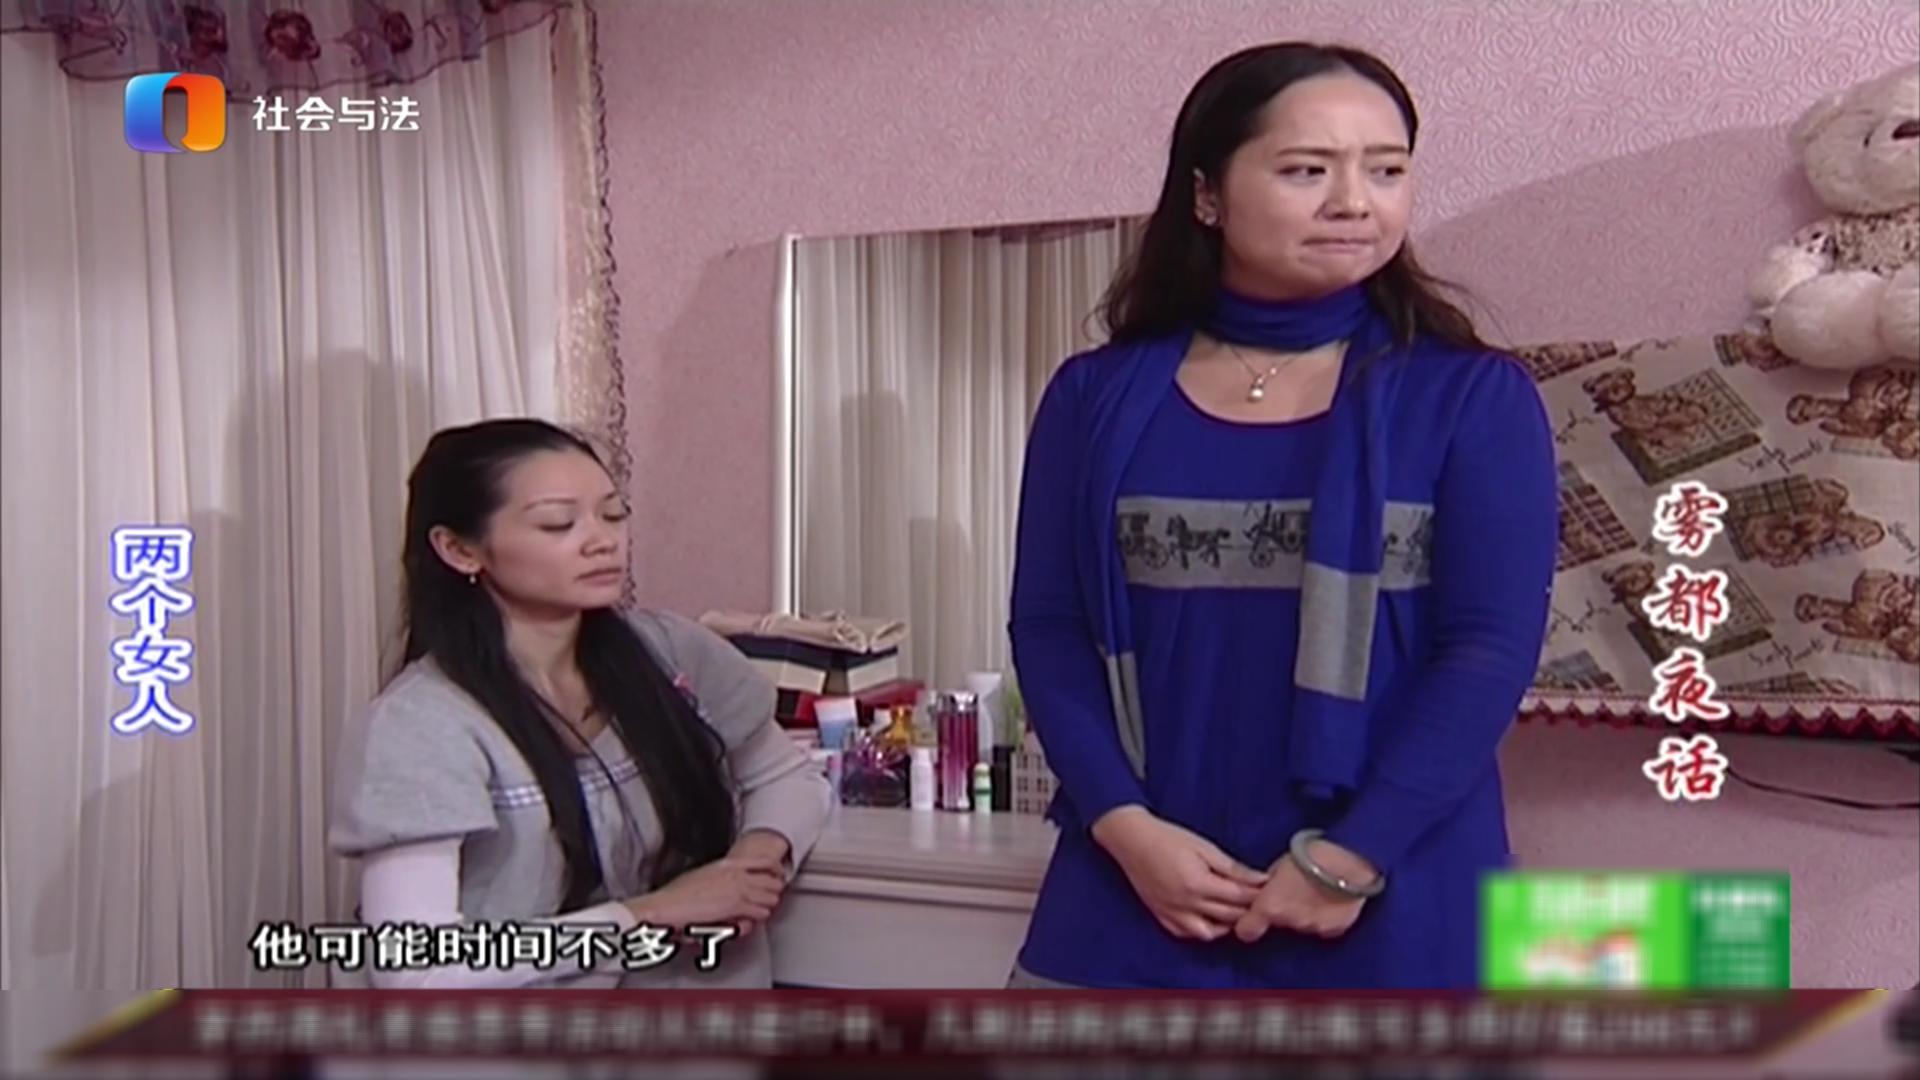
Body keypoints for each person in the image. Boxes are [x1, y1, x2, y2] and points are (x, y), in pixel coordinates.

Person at [1006, 41, 1558, 990]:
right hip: (1141, 886)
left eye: (1386, 170)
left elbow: (1487, 652)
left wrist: (1352, 856)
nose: (1355, 202)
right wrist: (1123, 826)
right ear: (1206, 195)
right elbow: (1051, 629)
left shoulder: (1472, 397)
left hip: (1392, 889)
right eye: (1307, 170)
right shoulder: (1093, 397)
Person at [329, 418, 832, 989]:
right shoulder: (421, 725)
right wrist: (648, 914)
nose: (602, 541)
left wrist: (751, 864)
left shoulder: (670, 651)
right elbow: (414, 970)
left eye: (613, 515)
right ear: (460, 549)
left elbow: (787, 775)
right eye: (558, 523)